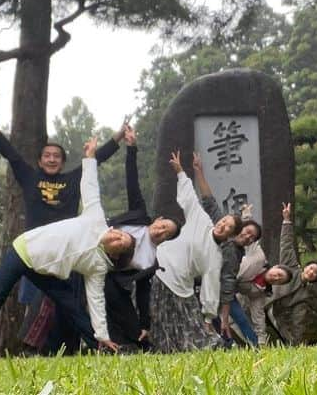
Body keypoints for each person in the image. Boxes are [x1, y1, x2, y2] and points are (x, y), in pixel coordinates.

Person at [0, 137, 133, 356]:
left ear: (115, 255)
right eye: (120, 233)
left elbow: (96, 300)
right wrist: (89, 158)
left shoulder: (98, 267)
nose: (117, 236)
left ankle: (100, 346)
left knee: (72, 306)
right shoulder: (96, 219)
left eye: (121, 243)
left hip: (45, 271)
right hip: (24, 251)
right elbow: (90, 187)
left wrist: (103, 334)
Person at [148, 150, 243, 353]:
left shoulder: (217, 257)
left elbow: (211, 285)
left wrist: (209, 316)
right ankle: (163, 348)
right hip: (162, 269)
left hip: (183, 286)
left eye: (228, 228)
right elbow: (190, 198)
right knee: (162, 321)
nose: (223, 226)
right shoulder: (203, 220)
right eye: (224, 221)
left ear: (230, 236)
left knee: (192, 330)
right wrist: (181, 171)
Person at [102, 124, 180, 350]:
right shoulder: (139, 215)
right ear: (158, 220)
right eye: (163, 225)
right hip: (94, 250)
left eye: (167, 234)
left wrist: (145, 322)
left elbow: (144, 291)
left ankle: (127, 347)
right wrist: (132, 148)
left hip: (112, 278)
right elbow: (132, 182)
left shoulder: (150, 261)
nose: (162, 231)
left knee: (134, 328)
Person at [190, 152, 262, 344]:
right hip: (201, 283)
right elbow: (209, 201)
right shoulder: (223, 226)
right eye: (247, 232)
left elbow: (228, 280)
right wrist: (199, 171)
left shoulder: (234, 253)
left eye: (251, 238)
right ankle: (228, 345)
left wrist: (225, 307)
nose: (247, 237)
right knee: (214, 320)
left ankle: (254, 345)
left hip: (221, 291)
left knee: (231, 318)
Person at [264, 202, 317, 345]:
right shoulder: (291, 267)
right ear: (305, 267)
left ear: (315, 279)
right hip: (260, 298)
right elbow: (286, 245)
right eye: (311, 268)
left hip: (275, 314)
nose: (311, 272)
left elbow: (298, 318)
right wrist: (286, 221)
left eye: (315, 273)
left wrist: (297, 341)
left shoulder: (305, 294)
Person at [234, 252, 292, 346]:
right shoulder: (257, 261)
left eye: (280, 281)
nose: (276, 278)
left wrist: (262, 341)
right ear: (275, 267)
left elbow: (258, 316)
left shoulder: (260, 292)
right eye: (279, 274)